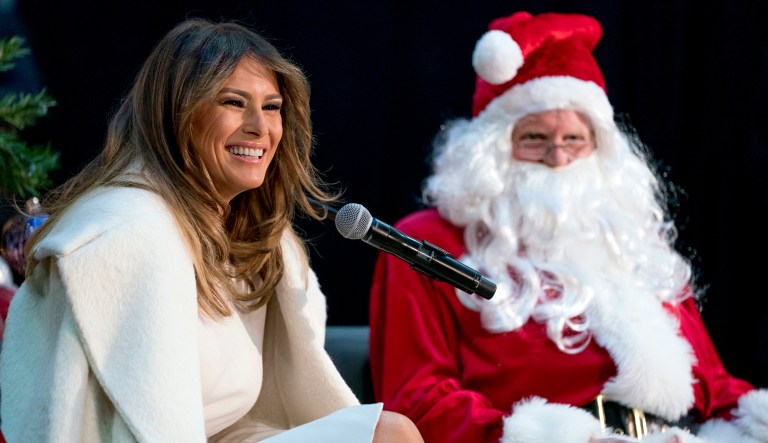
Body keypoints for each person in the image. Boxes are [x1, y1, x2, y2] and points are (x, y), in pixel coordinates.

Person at [0, 17, 423, 443]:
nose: (260, 126)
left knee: (389, 433)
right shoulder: (127, 233)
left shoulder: (253, 236)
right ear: (178, 114)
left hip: (231, 435)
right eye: (234, 103)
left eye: (272, 106)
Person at [369, 11, 768, 443]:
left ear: (600, 148)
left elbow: (715, 388)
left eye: (574, 140)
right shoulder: (426, 242)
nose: (558, 158)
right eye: (535, 138)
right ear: (491, 151)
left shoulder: (635, 240)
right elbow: (417, 400)